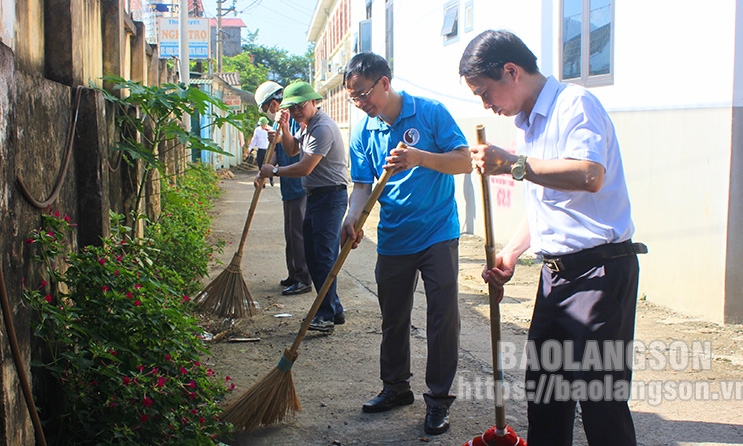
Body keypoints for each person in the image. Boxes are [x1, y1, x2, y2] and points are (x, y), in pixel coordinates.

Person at [459, 30, 646, 446]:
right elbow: (548, 205)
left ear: (511, 71)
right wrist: (510, 254)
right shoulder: (530, 121)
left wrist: (513, 164)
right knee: (546, 394)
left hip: (599, 273)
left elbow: (588, 175)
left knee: (600, 400)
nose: (486, 104)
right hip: (556, 278)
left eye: (485, 91)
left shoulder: (575, 104)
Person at [341, 53, 471, 436]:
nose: (361, 104)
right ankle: (395, 387)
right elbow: (362, 186)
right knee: (393, 318)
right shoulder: (365, 132)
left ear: (384, 82)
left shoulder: (430, 113)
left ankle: (438, 401)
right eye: (354, 98)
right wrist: (352, 216)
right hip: (394, 237)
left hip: (437, 233)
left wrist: (419, 158)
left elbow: (463, 160)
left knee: (442, 319)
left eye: (364, 94)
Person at [257, 81, 349, 332]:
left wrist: (274, 169)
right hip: (316, 197)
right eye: (292, 107)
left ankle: (326, 314)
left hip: (330, 198)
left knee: (324, 257)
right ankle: (334, 309)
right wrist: (286, 128)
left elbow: (304, 167)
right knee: (313, 254)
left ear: (313, 102)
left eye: (301, 106)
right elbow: (291, 148)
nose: (297, 111)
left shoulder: (323, 128)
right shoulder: (305, 125)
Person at [254, 81, 312, 295]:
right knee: (290, 232)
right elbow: (277, 151)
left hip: (299, 184)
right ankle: (293, 274)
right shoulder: (280, 123)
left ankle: (303, 278)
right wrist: (263, 171)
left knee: (298, 234)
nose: (269, 112)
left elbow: (296, 150)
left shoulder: (295, 120)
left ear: (276, 102)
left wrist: (281, 136)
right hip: (288, 186)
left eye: (268, 107)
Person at [248, 116, 272, 186]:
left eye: (264, 125)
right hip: (260, 149)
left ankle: (270, 178)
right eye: (261, 125)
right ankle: (262, 181)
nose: (263, 126)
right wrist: (249, 148)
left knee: (269, 165)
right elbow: (254, 139)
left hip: (268, 150)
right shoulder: (257, 130)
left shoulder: (271, 129)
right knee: (260, 166)